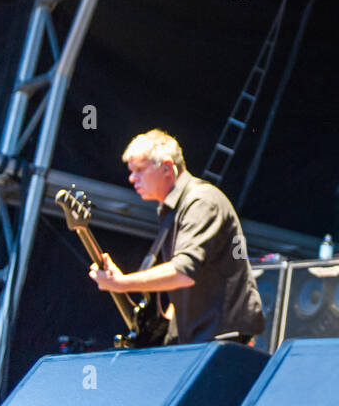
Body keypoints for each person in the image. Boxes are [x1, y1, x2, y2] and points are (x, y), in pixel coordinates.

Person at [90, 129, 264, 345]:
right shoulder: (172, 208)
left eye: (140, 170)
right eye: (131, 171)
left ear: (167, 167)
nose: (132, 178)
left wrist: (122, 283)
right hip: (202, 338)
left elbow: (183, 272)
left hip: (222, 339)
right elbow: (193, 278)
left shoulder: (201, 202)